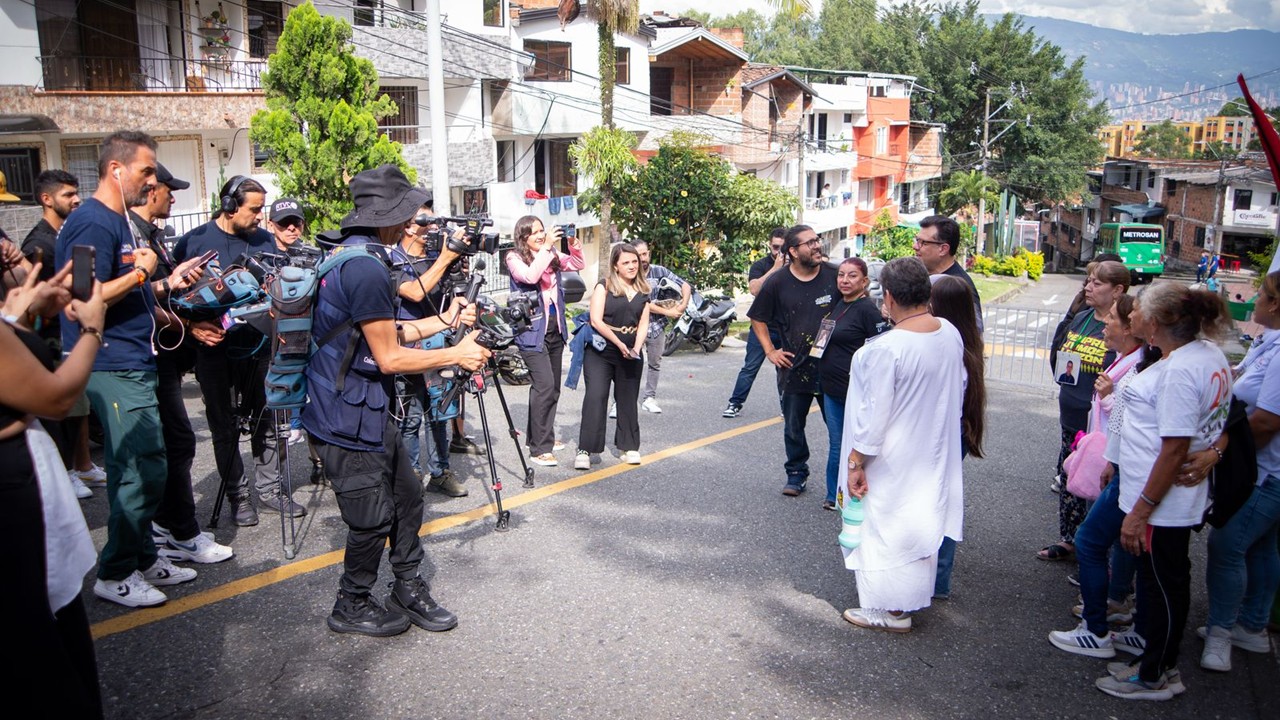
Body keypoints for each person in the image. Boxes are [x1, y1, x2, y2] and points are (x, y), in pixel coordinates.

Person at [303, 164, 489, 636]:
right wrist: (456, 354)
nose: (415, 223)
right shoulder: (364, 267)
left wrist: (445, 321)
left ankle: (406, 586)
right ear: (389, 216)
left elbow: (387, 332)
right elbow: (388, 358)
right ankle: (351, 603)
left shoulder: (356, 255)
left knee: (407, 496)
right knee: (370, 518)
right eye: (409, 213)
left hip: (365, 409)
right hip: (344, 415)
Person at [54, 131, 204, 608]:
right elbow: (82, 299)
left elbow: (123, 289)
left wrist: (158, 289)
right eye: (146, 171)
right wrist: (142, 272)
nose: (153, 180)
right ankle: (115, 572)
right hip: (110, 362)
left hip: (133, 360)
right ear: (115, 170)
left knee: (139, 466)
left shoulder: (117, 220)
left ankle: (142, 557)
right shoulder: (91, 222)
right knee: (141, 468)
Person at [1093, 282, 1232, 701]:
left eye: (1136, 309)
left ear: (1154, 322)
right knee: (1161, 584)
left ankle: (1155, 674)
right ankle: (1155, 662)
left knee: (1161, 587)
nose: (1130, 313)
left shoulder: (1179, 371)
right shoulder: (1204, 355)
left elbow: (1174, 448)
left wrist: (1141, 511)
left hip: (1162, 505)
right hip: (1162, 501)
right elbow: (1216, 422)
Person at [838, 257, 969, 633]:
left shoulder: (885, 349)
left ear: (889, 297)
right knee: (918, 522)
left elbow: (873, 415)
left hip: (890, 456)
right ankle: (904, 603)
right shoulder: (948, 332)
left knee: (883, 527)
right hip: (931, 451)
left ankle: (887, 609)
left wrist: (856, 462)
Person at [0, 257, 106, 717]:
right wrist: (93, 329)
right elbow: (56, 397)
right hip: (14, 493)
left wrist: (19, 314)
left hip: (23, 475)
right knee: (42, 656)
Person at [175, 176, 304, 527]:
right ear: (229, 206)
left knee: (268, 422)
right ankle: (238, 495)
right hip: (214, 352)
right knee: (224, 427)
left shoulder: (265, 240)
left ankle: (271, 489)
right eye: (255, 209)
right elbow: (172, 300)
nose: (261, 217)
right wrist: (191, 326)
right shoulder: (193, 242)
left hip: (259, 349)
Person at [129, 163, 233, 564]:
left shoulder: (153, 236)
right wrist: (188, 324)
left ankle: (167, 524)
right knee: (175, 443)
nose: (173, 197)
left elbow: (160, 295)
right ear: (150, 189)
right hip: (145, 358)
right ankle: (180, 532)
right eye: (168, 189)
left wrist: (187, 283)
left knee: (172, 445)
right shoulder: (129, 234)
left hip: (166, 357)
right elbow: (136, 301)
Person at [1049, 294, 1154, 660]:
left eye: (1112, 318)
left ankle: (1096, 628)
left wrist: (1108, 398)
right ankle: (1123, 610)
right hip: (1117, 462)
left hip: (1130, 469)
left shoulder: (1143, 366)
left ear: (1132, 327)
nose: (1104, 323)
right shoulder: (1128, 358)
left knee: (1092, 540)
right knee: (1121, 543)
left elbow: (1131, 420)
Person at [1199, 270, 1280, 672]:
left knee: (1227, 547)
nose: (1254, 299)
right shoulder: (1269, 342)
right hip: (1263, 469)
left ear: (1275, 304)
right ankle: (1252, 625)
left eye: (1260, 293)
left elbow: (1266, 421)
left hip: (1265, 472)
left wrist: (1221, 450)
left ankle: (1221, 634)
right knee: (1261, 548)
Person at [1040, 260, 1128, 561]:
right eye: (1088, 281)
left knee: (1097, 484)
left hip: (1101, 423)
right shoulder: (1083, 317)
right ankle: (1070, 539)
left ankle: (1096, 552)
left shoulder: (1122, 328)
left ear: (1117, 290)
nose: (1088, 288)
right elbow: (1061, 354)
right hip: (1072, 416)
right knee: (1071, 478)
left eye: (1096, 283)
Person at [19, 170, 100, 498]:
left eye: (76, 192)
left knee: (80, 407)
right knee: (60, 409)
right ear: (47, 199)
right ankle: (65, 472)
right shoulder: (38, 245)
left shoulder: (67, 235)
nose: (77, 199)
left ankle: (83, 466)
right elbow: (31, 302)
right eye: (68, 194)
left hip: (72, 335)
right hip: (50, 340)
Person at [747, 225, 838, 496]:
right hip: (794, 367)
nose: (817, 245)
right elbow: (757, 317)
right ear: (794, 252)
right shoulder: (778, 282)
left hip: (832, 367)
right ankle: (796, 473)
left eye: (817, 240)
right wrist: (770, 351)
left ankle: (843, 478)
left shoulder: (835, 275)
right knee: (793, 426)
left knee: (839, 427)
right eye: (809, 243)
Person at [391, 204, 470, 497]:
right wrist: (446, 258)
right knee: (410, 416)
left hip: (439, 344)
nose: (433, 227)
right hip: (408, 346)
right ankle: (411, 475)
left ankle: (440, 473)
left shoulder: (437, 257)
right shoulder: (393, 259)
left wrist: (454, 263)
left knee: (439, 414)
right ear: (409, 226)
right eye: (426, 221)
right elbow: (413, 292)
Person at [506, 215, 584, 466]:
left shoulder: (550, 254)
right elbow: (530, 277)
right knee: (544, 386)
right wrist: (548, 247)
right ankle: (539, 449)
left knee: (552, 388)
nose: (540, 235)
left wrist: (573, 245)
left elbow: (577, 264)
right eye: (535, 232)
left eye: (542, 230)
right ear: (523, 237)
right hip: (531, 332)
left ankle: (541, 436)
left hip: (555, 329)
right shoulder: (514, 258)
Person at [928, 275, 987, 600]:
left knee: (936, 502)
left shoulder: (947, 348)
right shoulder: (967, 343)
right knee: (944, 499)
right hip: (957, 431)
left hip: (943, 434)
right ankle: (939, 579)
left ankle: (934, 579)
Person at [818, 257, 887, 511]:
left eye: (852, 276)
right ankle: (834, 493)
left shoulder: (867, 310)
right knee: (837, 443)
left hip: (854, 392)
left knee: (853, 445)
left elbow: (881, 348)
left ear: (865, 281)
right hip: (831, 389)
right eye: (841, 275)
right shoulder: (839, 304)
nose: (845, 280)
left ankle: (851, 493)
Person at [574, 243, 650, 470]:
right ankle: (585, 449)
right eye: (626, 262)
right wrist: (618, 343)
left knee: (628, 398)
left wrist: (636, 348)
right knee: (596, 396)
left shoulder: (644, 289)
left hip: (631, 350)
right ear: (616, 266)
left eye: (634, 261)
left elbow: (643, 323)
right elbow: (596, 320)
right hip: (602, 350)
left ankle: (629, 447)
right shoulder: (604, 286)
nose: (632, 266)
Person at [723, 227, 787, 419]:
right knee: (750, 367)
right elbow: (754, 289)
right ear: (769, 245)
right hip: (762, 327)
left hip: (786, 328)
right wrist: (775, 269)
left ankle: (787, 407)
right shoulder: (761, 265)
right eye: (775, 247)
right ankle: (735, 403)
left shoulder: (795, 267)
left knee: (784, 369)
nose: (779, 252)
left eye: (783, 248)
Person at [634, 239, 689, 415]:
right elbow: (643, 303)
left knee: (655, 363)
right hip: (634, 327)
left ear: (649, 253)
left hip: (656, 326)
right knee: (628, 364)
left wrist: (682, 306)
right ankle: (620, 401)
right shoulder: (630, 274)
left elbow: (685, 285)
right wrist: (668, 312)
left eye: (644, 254)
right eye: (638, 255)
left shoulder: (659, 271)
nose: (642, 258)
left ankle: (649, 398)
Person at [914, 215, 982, 332]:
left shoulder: (959, 286)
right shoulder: (921, 276)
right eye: (917, 240)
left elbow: (973, 334)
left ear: (943, 249)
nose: (915, 246)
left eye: (923, 243)